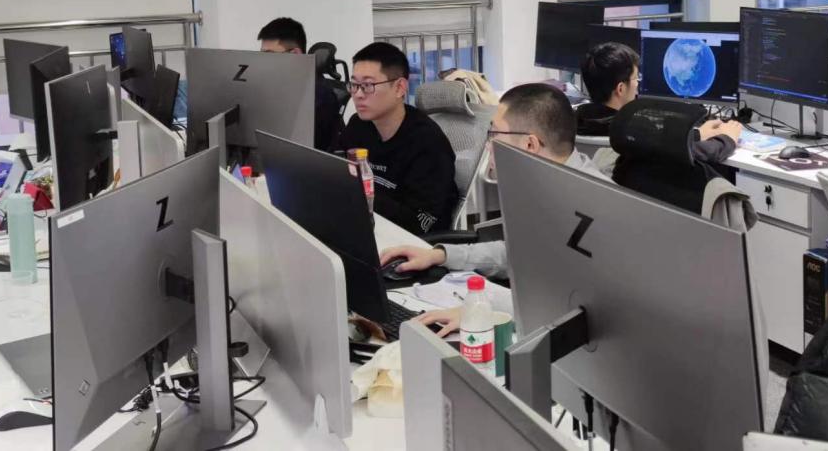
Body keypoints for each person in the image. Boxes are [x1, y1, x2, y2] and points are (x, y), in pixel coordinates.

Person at [379, 83, 604, 334]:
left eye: (494, 134)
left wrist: (482, 310)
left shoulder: (596, 208)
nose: (488, 146)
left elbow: (585, 311)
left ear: (530, 145)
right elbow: (518, 254)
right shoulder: (541, 184)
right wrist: (440, 255)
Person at [338, 42, 457, 235]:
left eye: (367, 85)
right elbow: (336, 171)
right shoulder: (358, 126)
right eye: (354, 85)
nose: (357, 95)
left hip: (414, 242)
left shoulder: (427, 143)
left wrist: (362, 194)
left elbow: (418, 223)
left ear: (400, 87)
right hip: (365, 226)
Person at [257, 17, 343, 152]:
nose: (264, 62)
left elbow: (305, 149)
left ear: (295, 54)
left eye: (269, 55)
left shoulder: (319, 95)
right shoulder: (279, 87)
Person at [575, 42, 639, 136]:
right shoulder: (636, 133)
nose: (637, 84)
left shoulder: (570, 123)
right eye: (635, 78)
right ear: (620, 88)